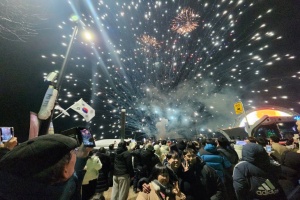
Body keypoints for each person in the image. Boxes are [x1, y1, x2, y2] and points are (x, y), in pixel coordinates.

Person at [0, 134, 92, 200]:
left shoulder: (12, 183)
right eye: (74, 152)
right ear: (65, 170)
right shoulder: (62, 192)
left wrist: (6, 149)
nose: (76, 155)